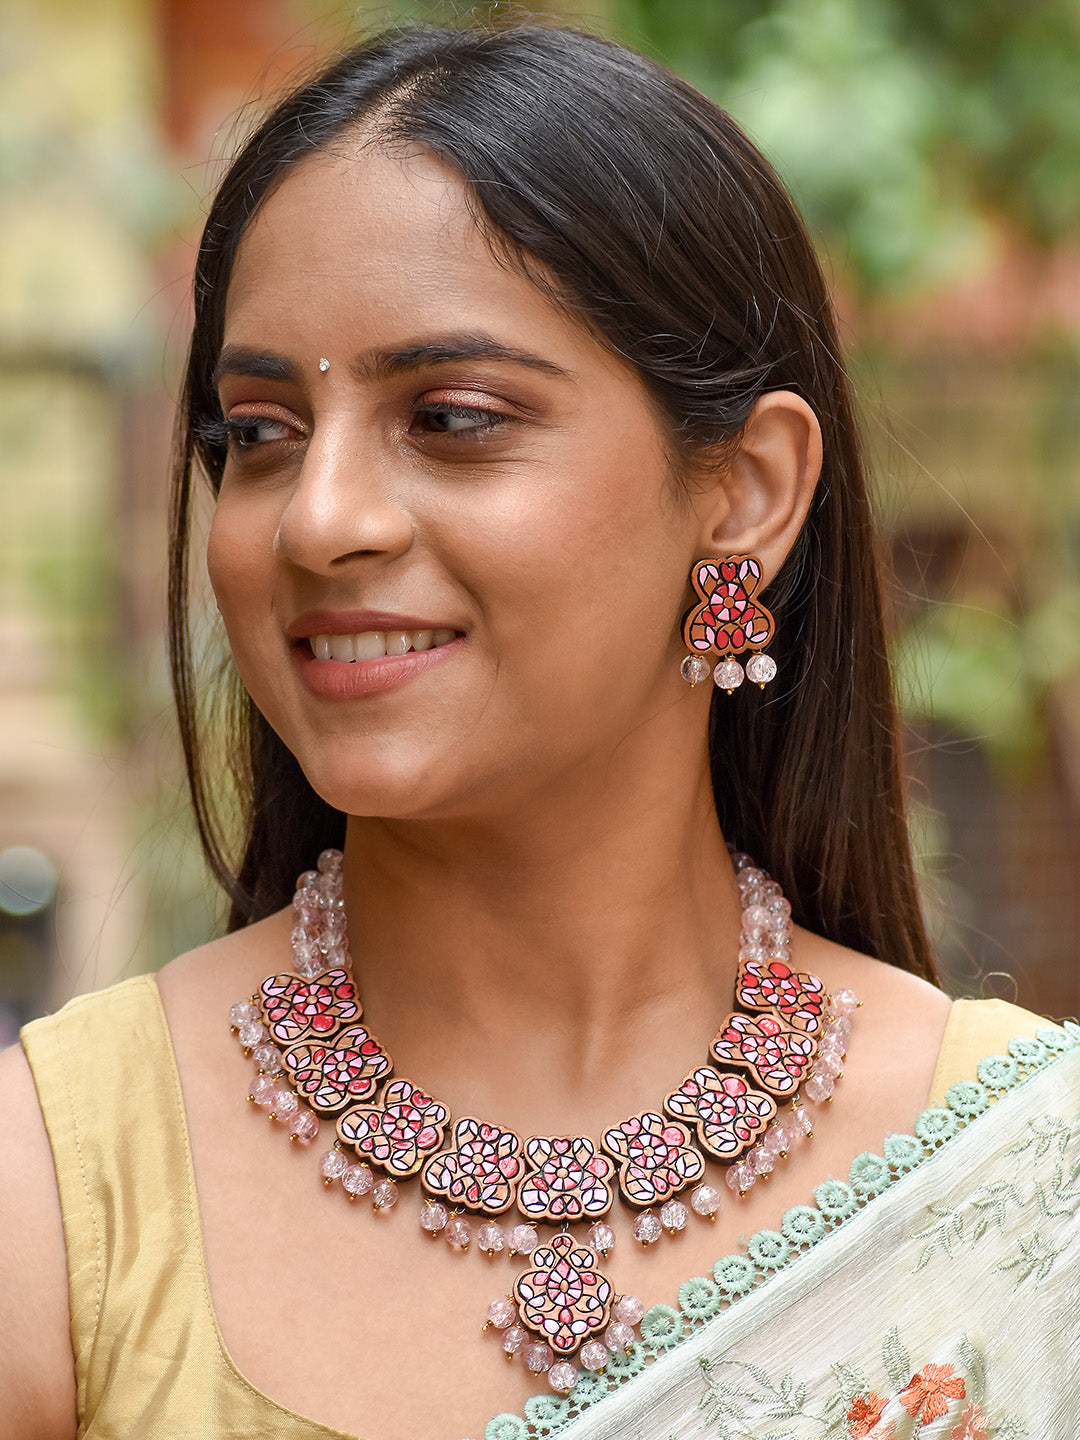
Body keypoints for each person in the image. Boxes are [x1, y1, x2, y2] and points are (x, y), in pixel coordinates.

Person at [2, 21, 1076, 1440]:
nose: (316, 520)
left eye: (449, 416)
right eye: (257, 432)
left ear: (746, 493)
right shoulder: (62, 1195)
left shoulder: (1025, 1195)